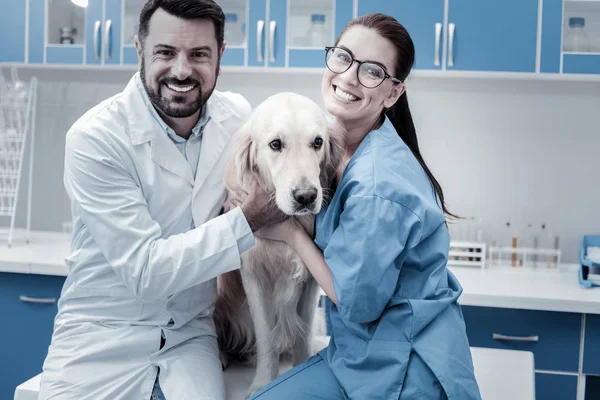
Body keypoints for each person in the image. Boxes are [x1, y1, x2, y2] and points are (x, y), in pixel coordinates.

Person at [38, 1, 285, 399]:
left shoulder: (238, 118)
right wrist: (245, 220)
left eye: (199, 54)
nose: (182, 70)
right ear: (140, 51)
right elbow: (146, 272)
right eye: (165, 53)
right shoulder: (95, 138)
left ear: (220, 55)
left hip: (190, 339)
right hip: (100, 341)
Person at [246, 13, 483, 400]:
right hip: (362, 355)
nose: (350, 77)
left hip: (407, 370)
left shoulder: (377, 184)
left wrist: (288, 232)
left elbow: (356, 303)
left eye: (372, 70)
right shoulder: (340, 150)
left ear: (392, 93)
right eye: (343, 58)